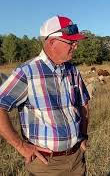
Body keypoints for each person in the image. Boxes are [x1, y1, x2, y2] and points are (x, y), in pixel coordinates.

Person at [0, 15, 90, 175]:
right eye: (71, 42)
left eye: (76, 42)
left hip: (76, 159)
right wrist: (21, 146)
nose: (76, 46)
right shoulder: (27, 72)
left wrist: (83, 135)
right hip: (45, 164)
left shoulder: (72, 70)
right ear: (51, 42)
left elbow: (83, 105)